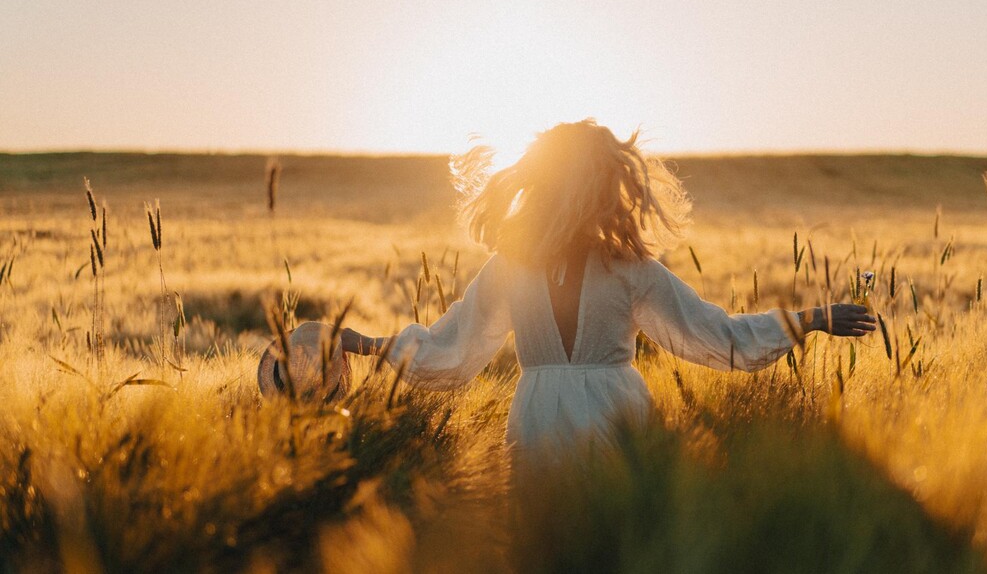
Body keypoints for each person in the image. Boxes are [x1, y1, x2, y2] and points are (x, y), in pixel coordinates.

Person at [337, 119, 875, 459]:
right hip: (610, 422)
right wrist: (811, 319)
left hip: (542, 421)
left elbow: (448, 352)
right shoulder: (621, 268)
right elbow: (715, 336)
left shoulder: (523, 267)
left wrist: (813, 319)